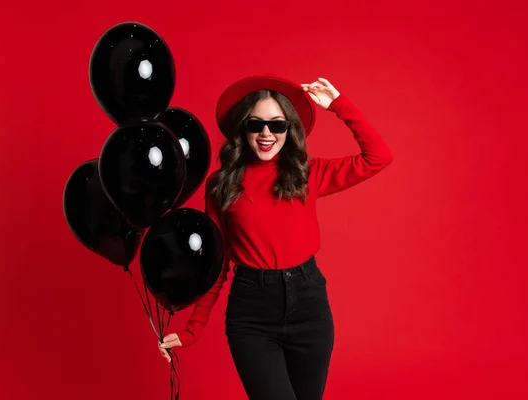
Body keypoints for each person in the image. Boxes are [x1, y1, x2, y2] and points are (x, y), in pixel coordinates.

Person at [157, 75, 393, 400]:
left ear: (288, 129)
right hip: (252, 312)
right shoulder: (221, 186)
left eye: (277, 125)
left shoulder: (307, 173)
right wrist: (191, 330)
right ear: (243, 129)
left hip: (309, 304)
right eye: (256, 124)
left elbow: (378, 157)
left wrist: (339, 105)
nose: (267, 134)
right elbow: (216, 262)